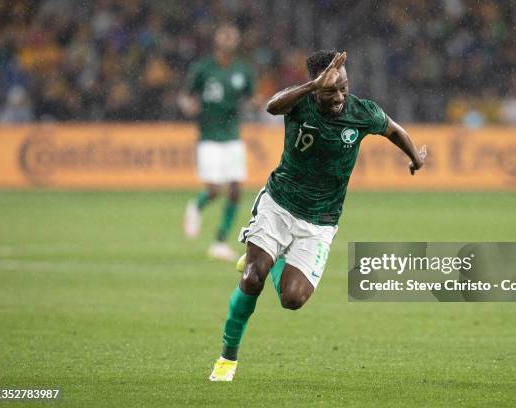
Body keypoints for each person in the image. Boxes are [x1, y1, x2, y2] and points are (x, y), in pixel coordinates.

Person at [209, 50, 427, 381]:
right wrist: (311, 86)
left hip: (321, 221)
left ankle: (273, 258)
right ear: (316, 87)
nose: (339, 96)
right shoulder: (301, 102)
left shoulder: (362, 112)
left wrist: (415, 158)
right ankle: (227, 358)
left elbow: (394, 130)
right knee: (253, 276)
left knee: (293, 299)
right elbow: (272, 106)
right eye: (330, 90)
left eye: (343, 87)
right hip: (279, 204)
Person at [179, 24, 255, 261]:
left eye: (233, 35)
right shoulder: (203, 69)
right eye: (225, 34)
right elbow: (185, 95)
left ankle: (219, 242)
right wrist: (187, 106)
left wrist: (258, 104)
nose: (229, 38)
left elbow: (252, 98)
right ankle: (196, 205)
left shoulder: (244, 71)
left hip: (232, 135)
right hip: (209, 136)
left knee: (234, 190)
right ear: (216, 39)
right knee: (214, 189)